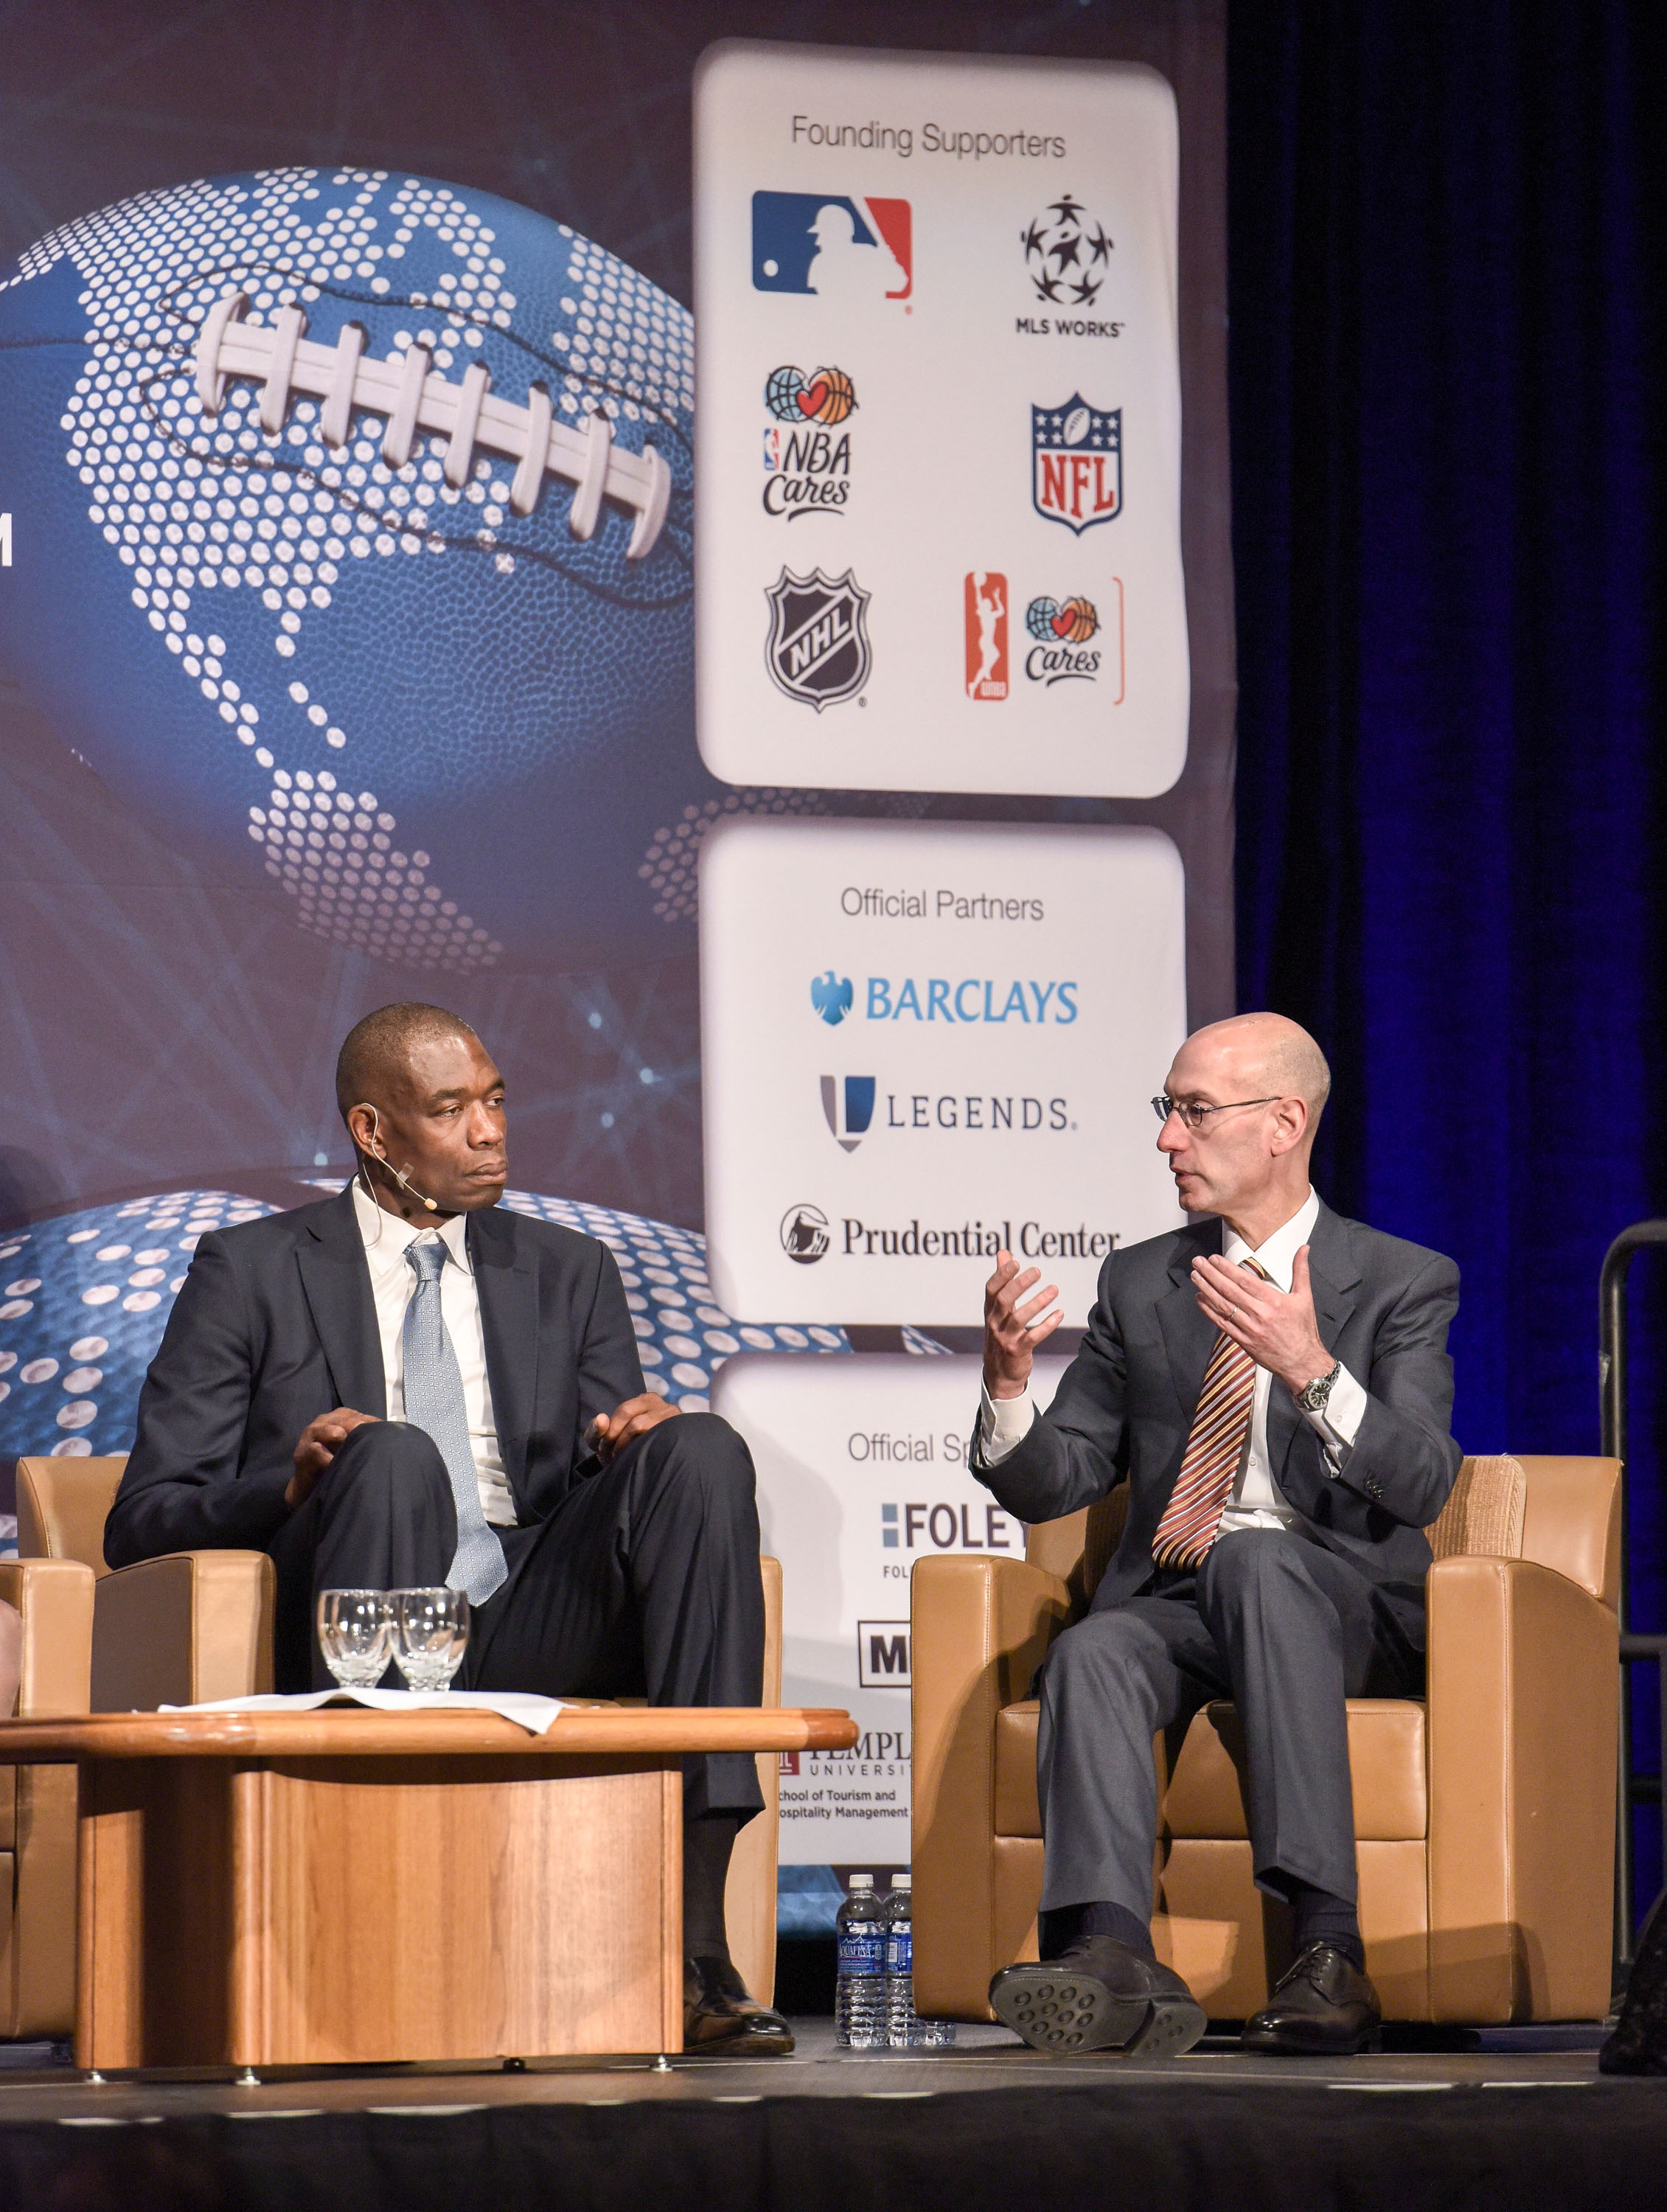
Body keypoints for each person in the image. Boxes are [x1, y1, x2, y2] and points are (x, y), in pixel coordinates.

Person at [105, 1001, 791, 2056]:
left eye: (496, 1100)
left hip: (525, 1606)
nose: (489, 1132)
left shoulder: (568, 1270)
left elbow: (610, 1461)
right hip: (358, 1603)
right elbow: (142, 1520)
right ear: (372, 1131)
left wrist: (633, 1442)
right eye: (451, 1109)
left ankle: (695, 1950)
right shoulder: (251, 1268)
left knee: (696, 1449)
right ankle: (372, 1935)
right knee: (391, 1454)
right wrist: (289, 1485)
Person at [976, 1013, 1461, 2057]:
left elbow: (1421, 1483)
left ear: (1283, 1122)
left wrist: (1310, 1370)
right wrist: (1007, 1390)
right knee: (1097, 1646)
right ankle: (1105, 1957)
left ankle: (1327, 1951)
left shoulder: (1398, 1282)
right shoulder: (1141, 1280)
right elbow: (1061, 1472)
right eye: (1168, 1112)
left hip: (1340, 1606)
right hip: (1186, 1601)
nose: (1167, 1141)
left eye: (1192, 1113)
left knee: (1255, 1557)